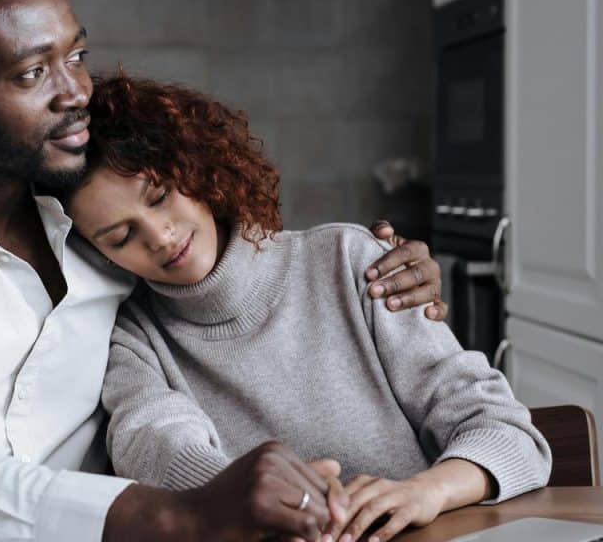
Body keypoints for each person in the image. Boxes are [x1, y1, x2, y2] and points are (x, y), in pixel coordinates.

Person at [0, 0, 449, 540]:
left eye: (78, 56)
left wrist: (380, 275)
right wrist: (170, 513)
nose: (76, 92)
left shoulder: (96, 213)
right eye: (33, 74)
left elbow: (248, 287)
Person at [62, 74, 551, 542]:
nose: (161, 236)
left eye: (160, 197)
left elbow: (506, 431)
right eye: (122, 236)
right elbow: (154, 446)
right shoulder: (133, 336)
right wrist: (254, 503)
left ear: (193, 166)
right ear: (97, 254)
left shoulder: (350, 261)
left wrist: (426, 491)